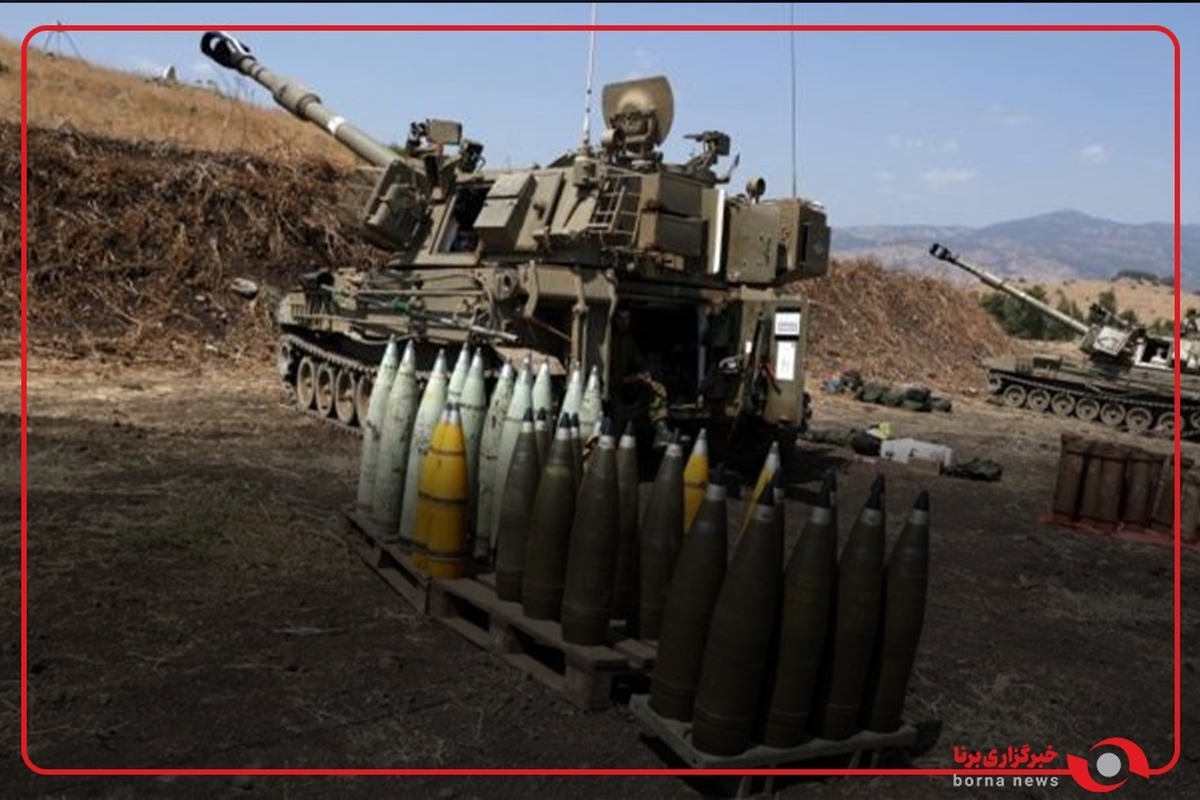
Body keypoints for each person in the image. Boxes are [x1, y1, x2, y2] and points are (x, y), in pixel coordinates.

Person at [610, 309, 672, 450]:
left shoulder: (628, 340)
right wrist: (634, 378)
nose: (624, 322)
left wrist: (645, 374)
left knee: (657, 388)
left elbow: (638, 360)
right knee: (617, 421)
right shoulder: (610, 340)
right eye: (621, 318)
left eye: (627, 319)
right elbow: (612, 377)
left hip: (627, 385)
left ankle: (661, 428)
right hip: (612, 387)